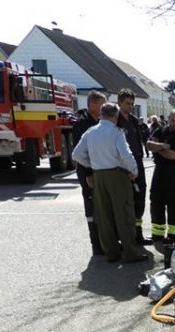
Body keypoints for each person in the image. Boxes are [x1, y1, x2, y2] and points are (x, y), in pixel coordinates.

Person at [72, 102, 149, 264]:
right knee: (124, 214)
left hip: (99, 176)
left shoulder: (90, 132)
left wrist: (91, 165)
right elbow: (126, 155)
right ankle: (130, 251)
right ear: (115, 116)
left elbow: (77, 154)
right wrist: (134, 170)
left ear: (101, 114)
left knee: (104, 215)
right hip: (118, 176)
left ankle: (111, 252)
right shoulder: (116, 133)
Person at [146, 109, 175, 244]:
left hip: (174, 173)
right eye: (173, 120)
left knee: (174, 205)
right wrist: (164, 146)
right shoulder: (160, 130)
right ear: (168, 118)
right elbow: (148, 145)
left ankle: (174, 236)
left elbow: (173, 156)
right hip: (159, 172)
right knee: (156, 201)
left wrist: (157, 149)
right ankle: (157, 235)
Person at [71, 91, 106, 255]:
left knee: (102, 206)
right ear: (92, 105)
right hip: (88, 172)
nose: (103, 108)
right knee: (91, 207)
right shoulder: (82, 125)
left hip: (99, 170)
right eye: (101, 105)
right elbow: (80, 154)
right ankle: (96, 245)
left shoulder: (99, 123)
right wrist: (88, 174)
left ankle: (105, 241)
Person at [115, 88, 149, 245]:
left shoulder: (134, 121)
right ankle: (125, 236)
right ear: (119, 102)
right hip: (122, 167)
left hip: (137, 162)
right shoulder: (115, 121)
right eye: (127, 103)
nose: (130, 107)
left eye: (132, 104)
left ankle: (138, 233)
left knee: (140, 197)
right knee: (124, 202)